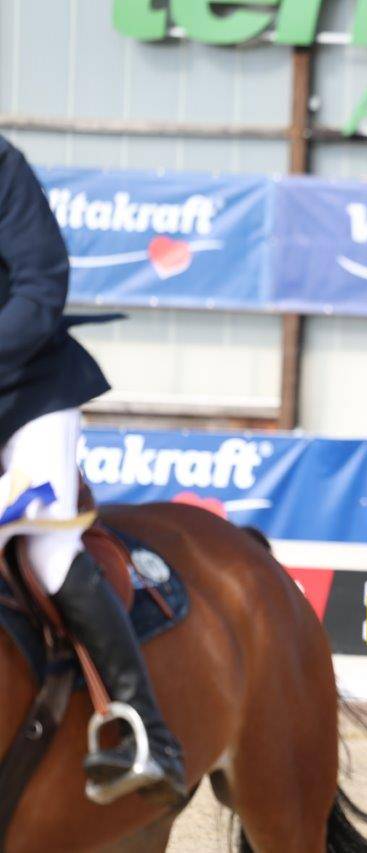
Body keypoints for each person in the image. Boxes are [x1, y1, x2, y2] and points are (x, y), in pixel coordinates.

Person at [0, 136, 185, 803]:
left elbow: (40, 287)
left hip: (27, 390)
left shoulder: (2, 166)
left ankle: (146, 733)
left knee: (46, 545)